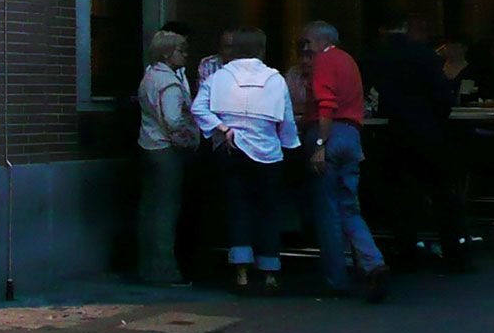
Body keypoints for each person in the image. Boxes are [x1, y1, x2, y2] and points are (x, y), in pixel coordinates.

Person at [191, 28, 299, 296]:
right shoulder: (275, 79)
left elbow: (198, 108)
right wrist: (291, 145)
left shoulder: (218, 77)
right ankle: (270, 272)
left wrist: (222, 128)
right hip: (269, 154)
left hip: (231, 149)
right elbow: (286, 121)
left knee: (238, 208)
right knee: (268, 210)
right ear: (261, 49)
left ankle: (241, 272)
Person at [362, 10, 467, 272]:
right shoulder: (425, 55)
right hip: (428, 131)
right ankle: (454, 251)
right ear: (406, 26)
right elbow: (443, 98)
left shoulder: (374, 56)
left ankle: (406, 250)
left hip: (393, 133)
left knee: (400, 195)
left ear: (382, 30)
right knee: (441, 192)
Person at [303, 22, 390, 302]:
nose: (305, 49)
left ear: (316, 41)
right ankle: (373, 261)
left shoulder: (323, 62)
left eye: (306, 42)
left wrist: (319, 144)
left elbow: (326, 103)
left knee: (327, 209)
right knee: (349, 206)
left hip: (329, 133)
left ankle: (335, 278)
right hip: (352, 135)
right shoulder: (348, 60)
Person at [137, 30, 197, 285]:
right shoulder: (169, 83)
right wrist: (188, 138)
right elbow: (173, 120)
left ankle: (146, 265)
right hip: (166, 150)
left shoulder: (149, 76)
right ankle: (164, 269)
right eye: (181, 50)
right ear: (167, 52)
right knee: (166, 210)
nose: (185, 55)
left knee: (149, 208)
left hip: (148, 144)